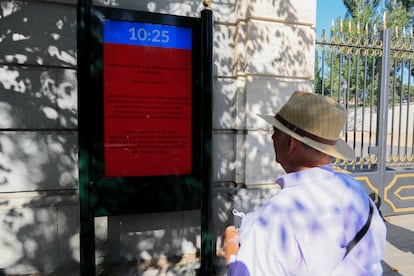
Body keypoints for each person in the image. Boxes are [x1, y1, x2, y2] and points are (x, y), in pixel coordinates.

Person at [224, 91, 386, 275]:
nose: (272, 138)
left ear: (291, 143)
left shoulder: (273, 219)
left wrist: (231, 251)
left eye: (275, 131)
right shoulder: (353, 189)